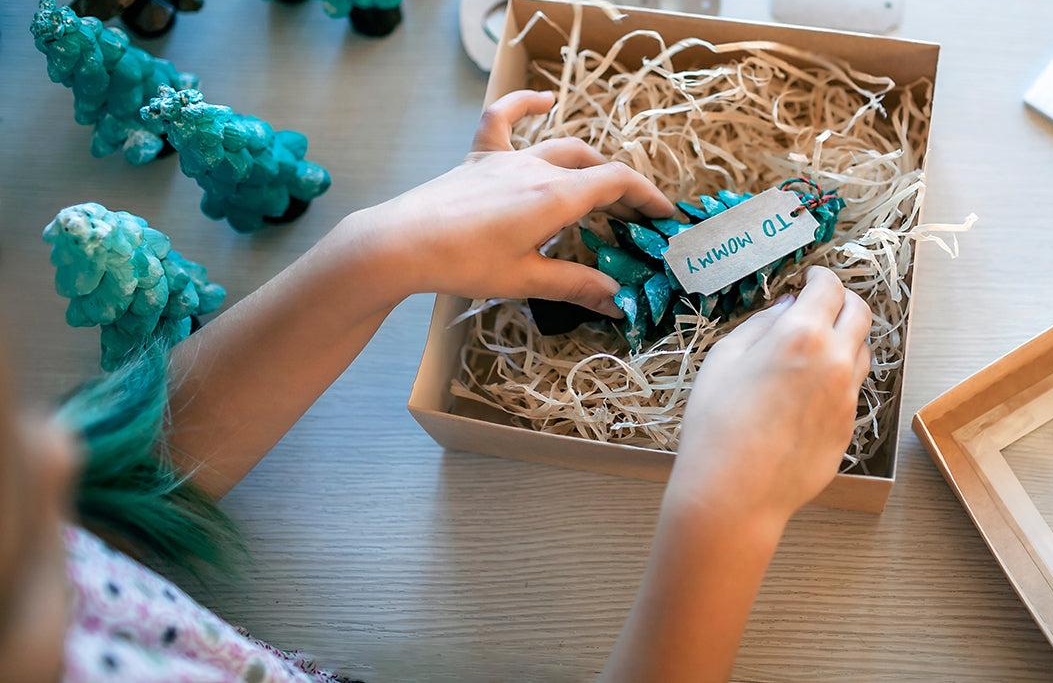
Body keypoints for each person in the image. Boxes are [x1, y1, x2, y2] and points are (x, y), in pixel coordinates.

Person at [1, 90, 874, 682]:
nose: (57, 452)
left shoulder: (48, 505)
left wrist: (377, 251)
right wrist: (724, 516)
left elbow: (102, 506)